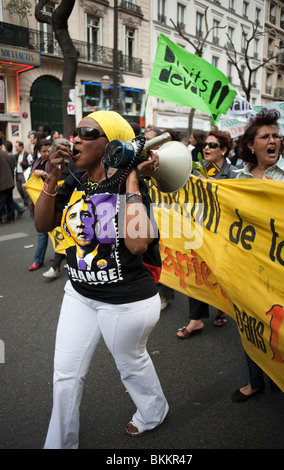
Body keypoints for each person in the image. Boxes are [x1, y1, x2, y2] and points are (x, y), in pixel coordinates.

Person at [34, 110, 169, 448]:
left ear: (112, 145)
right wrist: (52, 174)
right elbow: (41, 224)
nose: (75, 138)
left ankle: (154, 411)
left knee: (131, 365)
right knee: (65, 375)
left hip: (127, 303)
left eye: (86, 133)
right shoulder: (73, 179)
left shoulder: (129, 182)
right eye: (74, 132)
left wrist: (134, 181)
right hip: (79, 293)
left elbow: (138, 243)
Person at [232, 108, 284, 402]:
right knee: (250, 322)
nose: (273, 140)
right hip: (250, 265)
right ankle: (255, 380)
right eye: (265, 136)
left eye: (276, 135)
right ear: (251, 145)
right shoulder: (237, 177)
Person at [177, 130, 238, 338]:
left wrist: (218, 188)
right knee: (195, 272)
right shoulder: (198, 170)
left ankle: (222, 309)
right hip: (198, 230)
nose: (206, 148)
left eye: (213, 145)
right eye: (206, 145)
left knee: (221, 275)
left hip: (222, 235)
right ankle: (195, 321)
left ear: (224, 150)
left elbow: (237, 207)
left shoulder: (235, 174)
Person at [28, 139, 52, 271]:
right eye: (44, 151)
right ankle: (60, 253)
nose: (47, 153)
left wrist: (43, 173)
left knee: (45, 232)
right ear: (38, 151)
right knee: (46, 230)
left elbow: (57, 179)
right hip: (39, 201)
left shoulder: (54, 162)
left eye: (49, 150)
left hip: (50, 202)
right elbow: (30, 178)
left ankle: (38, 260)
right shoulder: (37, 162)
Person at [0, 145, 15, 224]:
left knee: (1, 202)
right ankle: (11, 217)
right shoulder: (5, 154)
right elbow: (12, 167)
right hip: (9, 181)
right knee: (9, 201)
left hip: (2, 183)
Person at [14, 140, 31, 209]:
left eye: (17, 147)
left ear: (21, 147)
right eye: (15, 147)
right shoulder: (17, 155)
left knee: (25, 190)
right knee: (19, 189)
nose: (16, 148)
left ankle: (27, 204)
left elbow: (30, 164)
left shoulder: (27, 154)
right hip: (18, 174)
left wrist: (22, 163)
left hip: (24, 174)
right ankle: (25, 202)